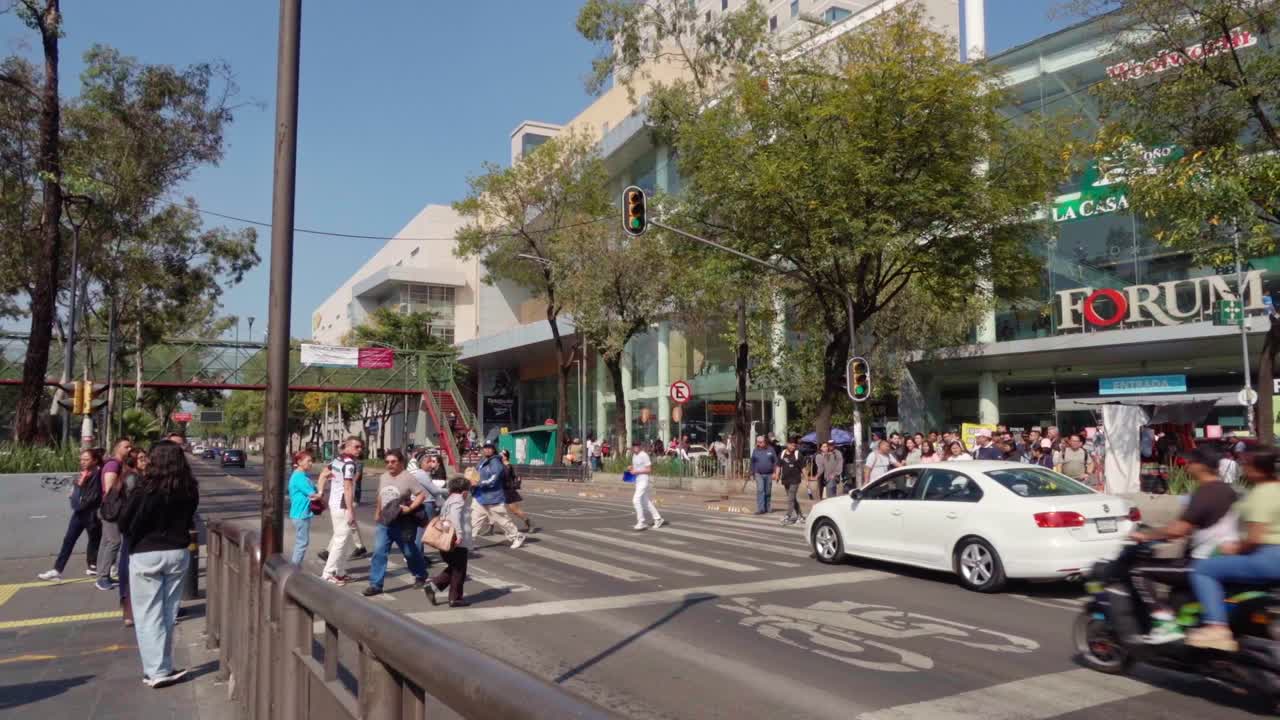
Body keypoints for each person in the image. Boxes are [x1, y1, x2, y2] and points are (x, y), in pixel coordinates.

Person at [1129, 447, 1239, 643]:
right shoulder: (1227, 490)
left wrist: (1146, 536)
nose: (1186, 466)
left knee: (1138, 571)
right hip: (1224, 558)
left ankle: (1164, 623)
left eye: (1190, 463)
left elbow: (1178, 530)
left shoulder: (1205, 492)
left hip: (1202, 562)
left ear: (1201, 466)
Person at [118, 440, 198, 688]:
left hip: (146, 553)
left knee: (147, 614)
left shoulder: (145, 488)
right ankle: (163, 666)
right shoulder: (188, 488)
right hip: (177, 552)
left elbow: (125, 522)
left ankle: (156, 671)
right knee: (167, 612)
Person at [1187, 448, 1280, 652]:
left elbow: (1255, 538)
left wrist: (1236, 548)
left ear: (1257, 469)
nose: (1243, 469)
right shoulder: (1275, 489)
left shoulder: (1262, 495)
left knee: (1204, 570)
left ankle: (1216, 628)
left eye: (1245, 465)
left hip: (1268, 557)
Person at [363, 450, 431, 597]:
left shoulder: (407, 477)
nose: (390, 465)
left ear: (401, 463)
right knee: (379, 551)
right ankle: (375, 584)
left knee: (408, 551)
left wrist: (410, 508)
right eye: (387, 462)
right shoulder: (383, 477)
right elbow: (381, 495)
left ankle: (420, 574)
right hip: (385, 521)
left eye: (393, 462)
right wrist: (377, 511)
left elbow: (421, 495)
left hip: (402, 521)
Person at [39, 447, 106, 582]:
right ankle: (57, 570)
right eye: (81, 459)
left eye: (86, 459)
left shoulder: (97, 474)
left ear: (95, 460)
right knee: (69, 540)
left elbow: (94, 496)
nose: (83, 462)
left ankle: (94, 566)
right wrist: (75, 494)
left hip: (90, 513)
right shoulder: (84, 474)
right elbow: (80, 491)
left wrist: (80, 502)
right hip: (79, 512)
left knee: (94, 539)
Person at [319, 437, 362, 586]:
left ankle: (340, 572)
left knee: (345, 538)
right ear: (348, 447)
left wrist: (320, 491)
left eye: (360, 447)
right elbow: (348, 487)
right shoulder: (349, 464)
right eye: (356, 447)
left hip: (334, 503)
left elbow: (324, 474)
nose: (359, 450)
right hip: (342, 505)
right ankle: (328, 573)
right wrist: (350, 510)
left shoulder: (338, 460)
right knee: (341, 539)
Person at [426, 475, 473, 608]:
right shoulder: (458, 500)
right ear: (464, 491)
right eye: (468, 490)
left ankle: (433, 586)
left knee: (454, 568)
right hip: (456, 541)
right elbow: (455, 517)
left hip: (446, 538)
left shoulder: (449, 500)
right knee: (459, 570)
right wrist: (458, 534)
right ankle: (455, 598)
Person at [470, 443, 527, 548]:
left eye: (489, 448)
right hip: (480, 496)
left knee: (503, 521)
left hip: (493, 498)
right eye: (485, 448)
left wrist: (477, 483)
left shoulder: (496, 463)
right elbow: (476, 474)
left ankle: (517, 536)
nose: (486, 450)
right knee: (474, 521)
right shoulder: (482, 461)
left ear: (493, 450)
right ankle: (469, 543)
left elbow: (493, 480)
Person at [95, 438, 134, 590]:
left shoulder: (118, 464)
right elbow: (109, 489)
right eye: (126, 447)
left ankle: (103, 575)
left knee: (106, 542)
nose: (130, 449)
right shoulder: (113, 465)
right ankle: (102, 577)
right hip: (111, 510)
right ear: (118, 448)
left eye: (130, 446)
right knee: (114, 542)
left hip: (111, 509)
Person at [118, 447, 149, 628]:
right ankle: (129, 611)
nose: (146, 461)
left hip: (131, 526)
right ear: (134, 462)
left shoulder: (133, 476)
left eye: (146, 458)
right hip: (133, 526)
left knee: (129, 564)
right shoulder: (133, 478)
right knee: (131, 568)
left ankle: (129, 609)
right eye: (142, 458)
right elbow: (134, 505)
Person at [288, 451, 322, 566]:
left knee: (302, 542)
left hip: (302, 513)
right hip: (300, 513)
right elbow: (313, 494)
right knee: (302, 543)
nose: (311, 463)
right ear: (299, 462)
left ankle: (295, 567)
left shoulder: (303, 475)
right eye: (308, 461)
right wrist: (321, 494)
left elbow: (314, 489)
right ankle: (293, 569)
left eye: (312, 461)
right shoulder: (299, 477)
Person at [627, 439, 665, 530]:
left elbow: (649, 469)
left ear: (640, 446)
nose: (636, 447)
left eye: (637, 445)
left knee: (635, 500)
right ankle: (658, 518)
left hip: (644, 480)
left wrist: (637, 471)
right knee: (645, 502)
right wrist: (631, 468)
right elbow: (636, 468)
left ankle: (641, 522)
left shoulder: (644, 455)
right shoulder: (634, 456)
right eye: (634, 445)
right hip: (637, 480)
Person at [500, 450, 534, 532]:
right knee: (492, 507)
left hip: (508, 490)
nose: (499, 457)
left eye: (501, 455)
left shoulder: (508, 466)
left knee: (514, 510)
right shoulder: (501, 465)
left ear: (505, 457)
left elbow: (506, 477)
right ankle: (491, 526)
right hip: (500, 490)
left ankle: (527, 521)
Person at [778, 436, 806, 525]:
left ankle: (788, 516)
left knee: (790, 498)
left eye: (794, 446)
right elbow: (778, 465)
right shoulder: (782, 454)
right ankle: (800, 516)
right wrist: (777, 475)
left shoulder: (798, 454)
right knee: (792, 499)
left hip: (795, 479)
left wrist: (807, 479)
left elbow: (803, 468)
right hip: (786, 479)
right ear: (787, 444)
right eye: (791, 445)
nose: (793, 447)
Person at [750, 435, 779, 514]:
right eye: (758, 442)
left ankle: (767, 507)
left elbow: (775, 461)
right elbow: (752, 462)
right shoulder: (755, 450)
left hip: (769, 474)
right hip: (758, 473)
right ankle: (760, 508)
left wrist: (775, 472)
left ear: (765, 442)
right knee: (760, 490)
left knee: (768, 491)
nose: (759, 444)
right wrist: (752, 473)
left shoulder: (771, 449)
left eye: (761, 442)